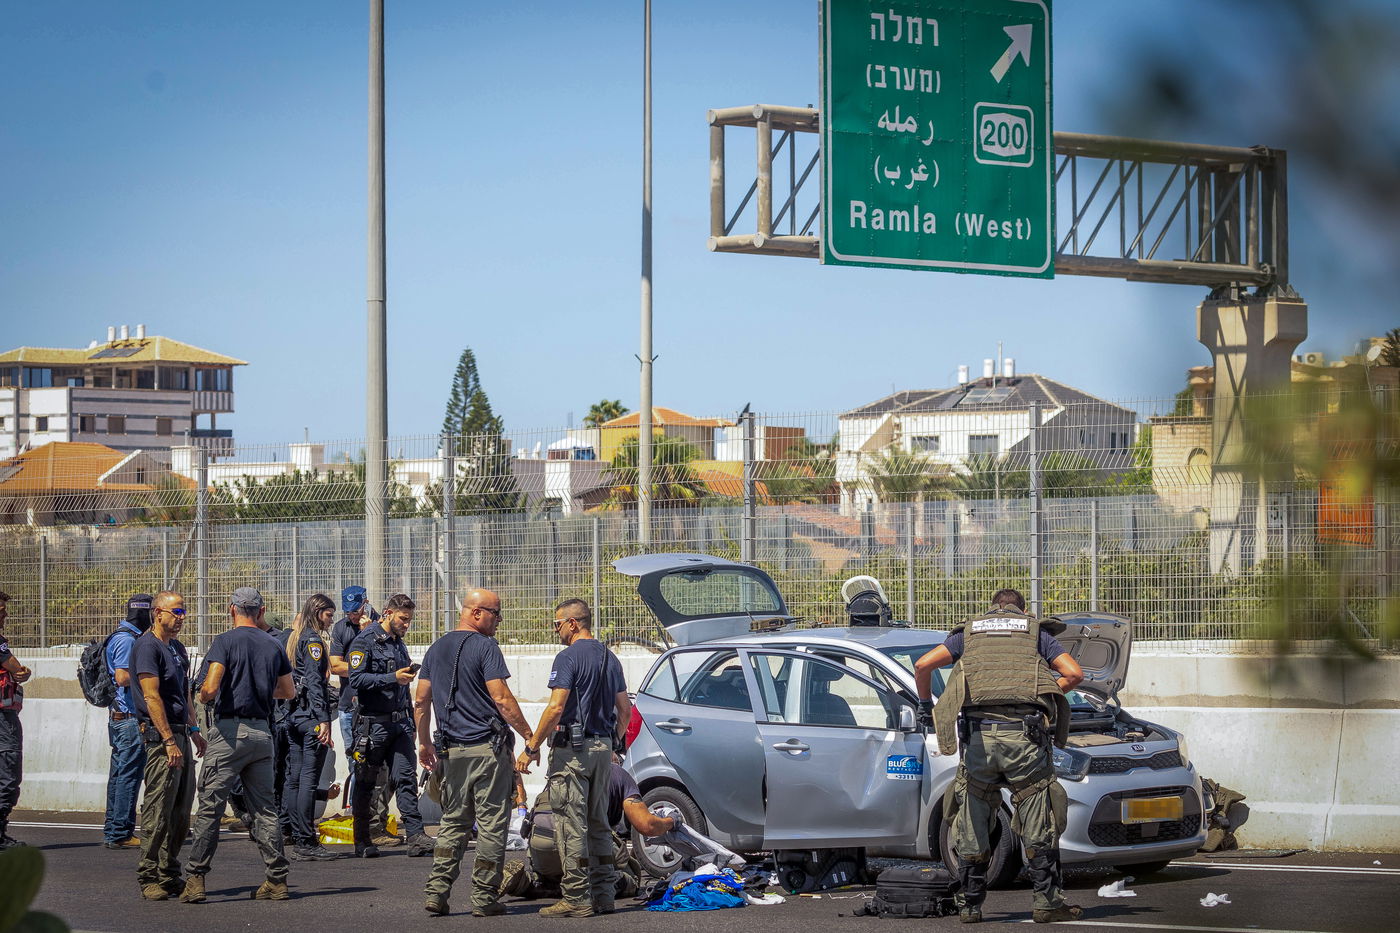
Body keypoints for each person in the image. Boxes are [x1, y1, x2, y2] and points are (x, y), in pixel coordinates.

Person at [913, 588, 1086, 925]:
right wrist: (1041, 694)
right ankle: (1047, 904)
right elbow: (1074, 674)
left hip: (978, 741)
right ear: (1023, 610)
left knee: (972, 817)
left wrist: (924, 705)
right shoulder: (1036, 634)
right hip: (1024, 741)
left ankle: (970, 907)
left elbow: (922, 665)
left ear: (992, 608)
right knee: (1037, 813)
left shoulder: (968, 634)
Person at [414, 589, 535, 917]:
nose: (499, 621)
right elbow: (502, 698)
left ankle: (437, 892)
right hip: (487, 752)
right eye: (496, 614)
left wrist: (423, 742)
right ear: (477, 613)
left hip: (451, 753)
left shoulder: (436, 648)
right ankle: (483, 897)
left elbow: (421, 700)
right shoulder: (485, 646)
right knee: (492, 825)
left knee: (453, 823)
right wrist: (529, 737)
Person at [516, 598, 630, 918]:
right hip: (603, 749)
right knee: (599, 823)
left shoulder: (567, 657)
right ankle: (604, 895)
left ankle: (577, 897)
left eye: (558, 624)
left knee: (571, 826)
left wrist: (531, 747)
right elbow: (625, 711)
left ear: (573, 623)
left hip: (573, 752)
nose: (556, 630)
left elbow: (556, 707)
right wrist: (612, 743)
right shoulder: (610, 657)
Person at [180, 587, 294, 904]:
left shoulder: (225, 641)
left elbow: (210, 688)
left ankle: (196, 879)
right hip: (262, 733)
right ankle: (276, 880)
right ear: (261, 611)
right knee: (265, 810)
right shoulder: (274, 644)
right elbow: (288, 691)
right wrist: (259, 691)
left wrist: (204, 695)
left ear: (232, 609)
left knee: (211, 808)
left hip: (230, 733)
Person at [501, 761, 673, 903]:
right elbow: (646, 826)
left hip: (542, 847)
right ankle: (597, 886)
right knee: (629, 879)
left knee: (552, 877)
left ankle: (526, 882)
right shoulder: (619, 774)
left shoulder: (561, 767)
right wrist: (671, 822)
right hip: (579, 848)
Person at [131, 590, 206, 900]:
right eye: (176, 612)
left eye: (183, 612)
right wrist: (167, 740)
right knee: (158, 808)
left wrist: (194, 729)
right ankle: (148, 875)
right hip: (161, 737)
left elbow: (184, 692)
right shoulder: (147, 647)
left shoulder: (176, 648)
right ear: (158, 612)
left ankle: (168, 873)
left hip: (180, 733)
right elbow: (152, 697)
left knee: (180, 812)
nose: (181, 617)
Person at [348, 593, 431, 858]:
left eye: (409, 620)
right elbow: (356, 679)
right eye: (403, 619)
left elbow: (402, 687)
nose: (406, 624)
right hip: (373, 726)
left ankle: (416, 836)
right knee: (366, 783)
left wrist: (411, 720)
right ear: (388, 613)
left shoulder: (398, 643)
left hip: (399, 724)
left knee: (405, 777)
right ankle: (362, 840)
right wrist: (391, 677)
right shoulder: (365, 641)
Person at [328, 585, 395, 845]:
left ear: (365, 603)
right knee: (356, 761)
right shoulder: (341, 628)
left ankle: (375, 820)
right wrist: (365, 669)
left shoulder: (382, 625)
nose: (353, 616)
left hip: (377, 707)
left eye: (356, 611)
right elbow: (335, 666)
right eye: (349, 612)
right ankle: (359, 817)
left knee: (382, 767)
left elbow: (391, 665)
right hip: (348, 705)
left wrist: (369, 634)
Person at [281, 593, 338, 862]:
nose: (331, 620)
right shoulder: (313, 640)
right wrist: (323, 719)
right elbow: (315, 681)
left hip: (294, 714)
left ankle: (297, 834)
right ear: (317, 613)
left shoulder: (295, 638)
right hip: (309, 717)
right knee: (307, 779)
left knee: (294, 779)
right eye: (328, 615)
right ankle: (306, 839)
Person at [103, 594, 153, 850]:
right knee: (128, 777)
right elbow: (122, 677)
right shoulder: (127, 639)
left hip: (121, 719)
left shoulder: (123, 636)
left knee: (119, 775)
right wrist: (151, 677)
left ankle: (114, 829)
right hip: (129, 719)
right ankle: (121, 831)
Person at [0, 590, 33, 850]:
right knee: (8, 774)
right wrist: (24, 671)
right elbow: (17, 668)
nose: (5, 616)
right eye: (1, 612)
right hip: (3, 719)